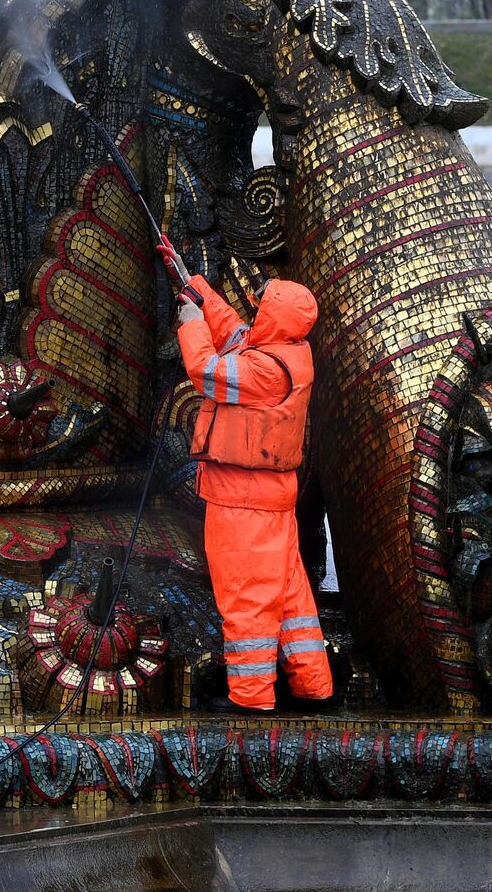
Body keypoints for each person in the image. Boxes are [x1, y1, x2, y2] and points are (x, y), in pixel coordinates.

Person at [160, 240, 336, 715]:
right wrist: (191, 283)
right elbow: (234, 329)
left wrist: (190, 325)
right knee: (291, 595)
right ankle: (313, 686)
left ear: (275, 318)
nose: (254, 310)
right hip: (270, 496)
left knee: (247, 595)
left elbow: (205, 371)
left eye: (263, 305)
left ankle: (252, 697)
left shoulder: (264, 370)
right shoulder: (287, 351)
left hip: (244, 500)